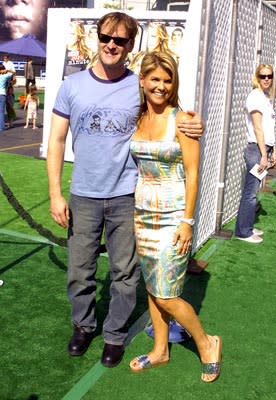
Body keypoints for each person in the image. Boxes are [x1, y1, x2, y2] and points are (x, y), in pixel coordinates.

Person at [47, 11, 205, 369]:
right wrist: (56, 193)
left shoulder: (138, 86)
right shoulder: (71, 86)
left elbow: (169, 109)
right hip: (83, 196)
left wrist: (195, 121)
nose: (111, 45)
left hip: (125, 197)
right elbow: (56, 141)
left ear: (131, 45)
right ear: (96, 38)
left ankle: (115, 335)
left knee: (124, 274)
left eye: (120, 40)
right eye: (106, 38)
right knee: (80, 270)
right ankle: (84, 326)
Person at [129, 51, 222, 383]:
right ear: (143, 81)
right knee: (154, 287)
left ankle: (207, 342)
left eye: (167, 81)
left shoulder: (182, 120)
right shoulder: (137, 117)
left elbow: (194, 176)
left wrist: (188, 222)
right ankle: (160, 349)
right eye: (155, 79)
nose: (161, 86)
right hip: (142, 216)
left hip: (173, 216)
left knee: (167, 292)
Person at [235, 64, 275, 243]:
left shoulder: (266, 97)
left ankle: (247, 227)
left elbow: (270, 128)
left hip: (264, 149)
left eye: (269, 76)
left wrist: (272, 151)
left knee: (253, 191)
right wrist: (264, 155)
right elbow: (258, 128)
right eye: (263, 76)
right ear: (257, 77)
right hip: (256, 150)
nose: (266, 79)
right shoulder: (255, 97)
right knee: (250, 193)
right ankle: (243, 232)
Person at [0, 63, 14, 131]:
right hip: (2, 94)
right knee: (1, 112)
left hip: (2, 94)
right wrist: (7, 70)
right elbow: (13, 73)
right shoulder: (4, 76)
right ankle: (1, 127)